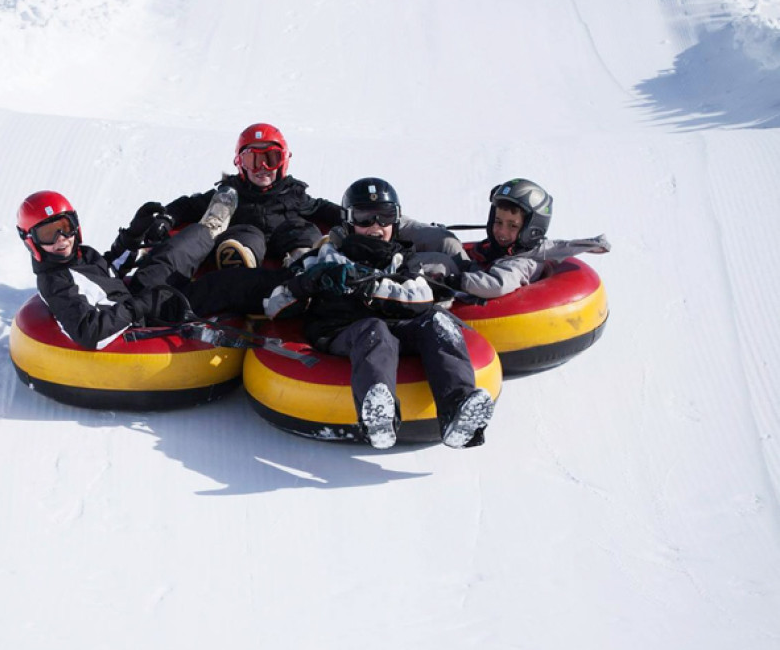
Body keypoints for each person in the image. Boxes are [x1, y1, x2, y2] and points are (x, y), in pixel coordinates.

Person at [264, 177, 495, 451]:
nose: (376, 226)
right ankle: (378, 416)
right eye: (364, 218)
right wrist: (312, 281)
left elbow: (420, 297)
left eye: (385, 217)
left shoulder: (402, 260)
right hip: (343, 331)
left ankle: (457, 407)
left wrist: (368, 286)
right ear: (349, 222)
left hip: (397, 329)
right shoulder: (324, 258)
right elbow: (274, 304)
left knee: (438, 321)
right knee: (374, 329)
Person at [16, 188, 288, 351]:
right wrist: (140, 306)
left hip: (138, 294)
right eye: (48, 234)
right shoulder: (57, 282)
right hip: (145, 318)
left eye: (65, 227)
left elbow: (109, 271)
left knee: (182, 244)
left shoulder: (80, 254)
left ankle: (213, 230)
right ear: (31, 241)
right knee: (222, 284)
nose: (61, 239)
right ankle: (292, 287)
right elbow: (89, 332)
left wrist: (133, 234)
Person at [109, 123, 342, 272]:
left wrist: (353, 216)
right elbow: (188, 205)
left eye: (271, 159)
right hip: (249, 249)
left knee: (301, 229)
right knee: (245, 234)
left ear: (283, 162)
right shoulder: (229, 194)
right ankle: (238, 263)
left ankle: (305, 262)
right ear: (240, 163)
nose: (262, 168)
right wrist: (166, 218)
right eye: (252, 160)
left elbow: (323, 209)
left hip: (287, 249)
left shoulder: (293, 193)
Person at [446, 178, 610, 299]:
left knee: (439, 264)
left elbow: (497, 285)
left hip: (469, 288)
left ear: (531, 231)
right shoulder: (499, 249)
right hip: (473, 269)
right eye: (498, 222)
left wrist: (454, 282)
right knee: (446, 241)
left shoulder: (521, 265)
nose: (501, 231)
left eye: (512, 226)